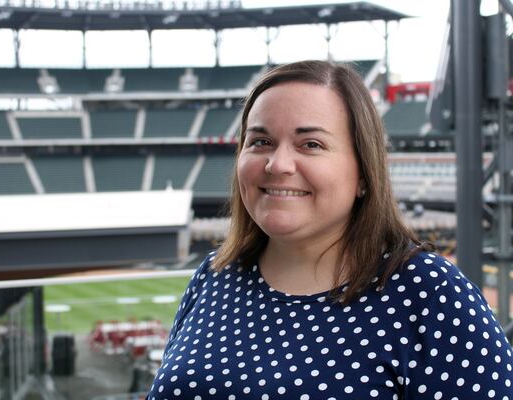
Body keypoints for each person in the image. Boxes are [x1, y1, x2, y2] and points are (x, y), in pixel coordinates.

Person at [146, 60, 513, 399]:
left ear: (363, 174)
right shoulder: (214, 276)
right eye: (260, 141)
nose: (277, 164)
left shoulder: (428, 292)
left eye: (311, 144)